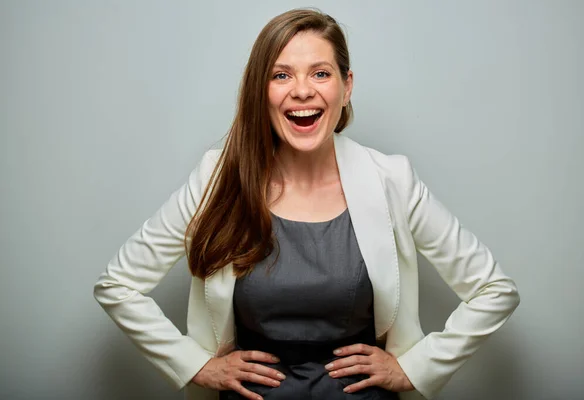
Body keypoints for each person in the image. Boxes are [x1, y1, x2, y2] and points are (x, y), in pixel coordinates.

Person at [93, 8, 520, 400]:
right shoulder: (217, 176)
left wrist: (416, 368)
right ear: (261, 90)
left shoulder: (392, 179)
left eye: (320, 73)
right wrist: (196, 365)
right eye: (281, 76)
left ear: (346, 86)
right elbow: (117, 284)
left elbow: (494, 291)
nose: (301, 92)